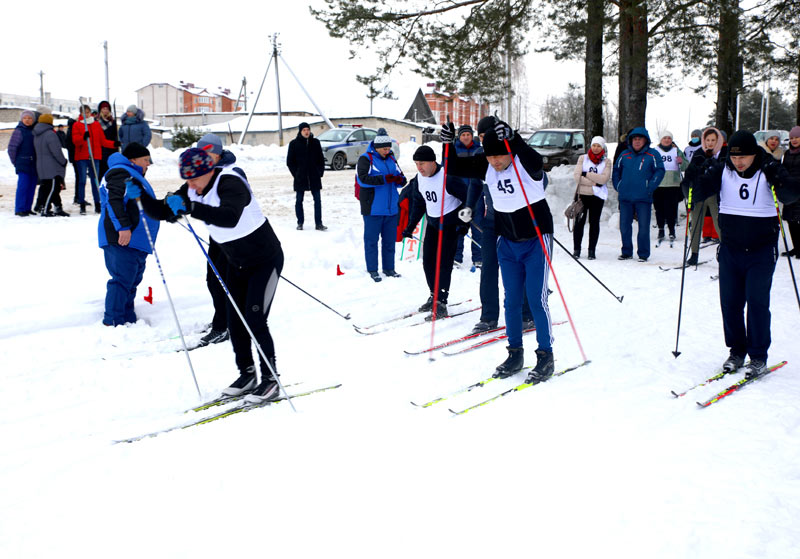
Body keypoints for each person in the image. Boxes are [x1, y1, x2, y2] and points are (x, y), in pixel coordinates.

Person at [134, 147, 284, 403]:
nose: (190, 184)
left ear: (208, 170)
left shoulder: (230, 183)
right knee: (235, 321)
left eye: (194, 178)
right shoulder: (193, 189)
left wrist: (191, 206)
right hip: (236, 263)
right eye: (187, 180)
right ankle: (247, 375)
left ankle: (271, 380)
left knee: (254, 319)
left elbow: (229, 217)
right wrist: (141, 197)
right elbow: (163, 211)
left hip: (264, 261)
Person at [694, 130, 800, 378]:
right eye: (734, 156)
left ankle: (758, 356)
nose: (739, 161)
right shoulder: (723, 169)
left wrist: (778, 176)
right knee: (730, 304)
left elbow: (792, 194)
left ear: (755, 154)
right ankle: (737, 351)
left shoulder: (767, 168)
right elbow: (695, 192)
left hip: (761, 251)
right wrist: (698, 171)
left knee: (757, 303)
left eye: (745, 156)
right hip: (731, 249)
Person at [443, 116, 537, 335]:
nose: (486, 141)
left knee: (517, 269)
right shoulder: (481, 156)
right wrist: (468, 206)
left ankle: (526, 314)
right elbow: (475, 184)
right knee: (488, 269)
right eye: (483, 137)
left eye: (489, 136)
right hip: (491, 221)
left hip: (516, 221)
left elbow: (537, 177)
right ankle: (488, 317)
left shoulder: (513, 154)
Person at [402, 145, 468, 319]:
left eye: (422, 163)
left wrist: (464, 223)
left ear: (432, 161)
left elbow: (469, 199)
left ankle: (441, 302)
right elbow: (419, 203)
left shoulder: (448, 177)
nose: (419, 168)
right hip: (432, 225)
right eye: (416, 164)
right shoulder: (420, 178)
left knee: (444, 264)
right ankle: (434, 295)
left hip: (449, 226)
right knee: (428, 263)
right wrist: (410, 226)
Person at [97, 143, 160, 326]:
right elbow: (113, 200)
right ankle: (114, 321)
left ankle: (127, 317)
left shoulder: (133, 175)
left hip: (136, 240)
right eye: (145, 160)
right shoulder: (120, 173)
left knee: (131, 279)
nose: (148, 164)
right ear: (133, 159)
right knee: (122, 279)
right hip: (122, 237)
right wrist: (123, 227)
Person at [193, 133, 243, 348]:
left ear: (214, 153)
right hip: (218, 235)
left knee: (221, 281)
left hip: (233, 238)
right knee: (213, 280)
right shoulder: (210, 171)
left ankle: (223, 327)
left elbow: (231, 206)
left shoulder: (231, 172)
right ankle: (222, 320)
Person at [356, 128, 406, 282]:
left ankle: (389, 268)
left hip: (391, 209)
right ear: (377, 147)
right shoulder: (366, 159)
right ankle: (372, 269)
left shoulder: (391, 159)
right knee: (371, 241)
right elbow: (362, 180)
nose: (387, 150)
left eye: (389, 147)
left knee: (389, 241)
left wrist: (400, 180)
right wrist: (385, 179)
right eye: (384, 148)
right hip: (373, 208)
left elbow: (402, 177)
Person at [612, 127, 665, 262]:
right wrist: (618, 185)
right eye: (634, 139)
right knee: (624, 226)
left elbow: (660, 170)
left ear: (645, 140)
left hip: (643, 197)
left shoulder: (652, 155)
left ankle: (643, 253)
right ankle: (626, 251)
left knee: (643, 228)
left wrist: (650, 186)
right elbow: (616, 170)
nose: (637, 142)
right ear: (631, 141)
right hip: (625, 197)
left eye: (639, 139)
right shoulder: (624, 154)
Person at [681, 127, 725, 265]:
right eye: (707, 140)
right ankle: (694, 254)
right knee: (695, 225)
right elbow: (690, 173)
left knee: (720, 224)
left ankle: (726, 253)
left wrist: (713, 166)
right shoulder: (699, 153)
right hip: (699, 194)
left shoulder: (723, 153)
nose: (710, 143)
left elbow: (725, 172)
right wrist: (688, 186)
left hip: (715, 194)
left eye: (713, 140)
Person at [72, 104, 116, 215]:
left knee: (95, 180)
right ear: (80, 113)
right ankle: (82, 203)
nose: (85, 114)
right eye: (83, 112)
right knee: (82, 181)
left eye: (87, 112)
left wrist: (114, 144)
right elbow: (75, 141)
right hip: (82, 157)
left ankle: (98, 204)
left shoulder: (96, 125)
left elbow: (103, 141)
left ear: (90, 112)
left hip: (95, 156)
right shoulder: (77, 125)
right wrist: (83, 137)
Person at [572, 136, 611, 259]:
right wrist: (594, 182)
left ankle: (591, 251)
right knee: (579, 223)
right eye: (594, 145)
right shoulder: (583, 158)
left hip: (597, 197)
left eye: (598, 146)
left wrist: (587, 174)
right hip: (582, 195)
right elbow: (577, 177)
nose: (595, 148)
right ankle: (577, 249)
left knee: (594, 223)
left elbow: (604, 179)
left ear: (602, 147)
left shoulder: (607, 161)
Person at [452, 125, 483, 267]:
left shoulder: (479, 150)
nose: (465, 137)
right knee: (458, 227)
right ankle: (456, 256)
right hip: (459, 196)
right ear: (459, 136)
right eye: (463, 134)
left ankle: (478, 257)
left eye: (468, 135)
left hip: (477, 196)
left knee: (478, 228)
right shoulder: (454, 150)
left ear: (472, 136)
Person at [286, 122, 326, 231]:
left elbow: (321, 160)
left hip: (314, 177)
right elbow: (290, 162)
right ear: (300, 131)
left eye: (308, 129)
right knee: (299, 201)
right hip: (300, 178)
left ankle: (319, 223)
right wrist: (296, 174)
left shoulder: (315, 143)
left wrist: (319, 172)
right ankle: (300, 222)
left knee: (317, 200)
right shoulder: (294, 144)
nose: (306, 132)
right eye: (304, 130)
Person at [652, 131, 688, 243]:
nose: (667, 140)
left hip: (673, 184)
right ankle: (661, 229)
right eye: (664, 138)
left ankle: (672, 230)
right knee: (659, 209)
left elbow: (686, 166)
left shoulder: (676, 151)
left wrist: (681, 162)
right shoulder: (655, 151)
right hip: (658, 184)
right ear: (661, 140)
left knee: (671, 209)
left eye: (669, 138)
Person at [32, 111, 69, 217]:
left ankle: (55, 207)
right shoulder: (50, 134)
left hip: (42, 166)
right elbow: (56, 151)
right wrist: (63, 161)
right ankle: (45, 209)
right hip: (52, 167)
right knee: (52, 189)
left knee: (47, 188)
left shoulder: (36, 134)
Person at [8, 110, 38, 216]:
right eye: (25, 118)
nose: (27, 120)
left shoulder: (34, 131)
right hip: (23, 163)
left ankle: (27, 208)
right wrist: (16, 162)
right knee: (23, 186)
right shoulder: (19, 131)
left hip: (33, 163)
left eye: (30, 118)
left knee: (31, 187)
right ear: (21, 119)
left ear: (33, 120)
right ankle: (20, 208)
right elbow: (12, 148)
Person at [780, 126, 800, 257]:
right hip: (790, 190)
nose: (794, 140)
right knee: (791, 220)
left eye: (797, 137)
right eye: (792, 138)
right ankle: (796, 247)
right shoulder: (787, 153)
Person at [96, 100, 119, 178]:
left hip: (111, 149)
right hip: (100, 150)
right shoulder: (96, 122)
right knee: (101, 172)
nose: (105, 110)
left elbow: (115, 135)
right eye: (103, 109)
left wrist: (116, 143)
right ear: (100, 110)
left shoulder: (112, 121)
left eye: (107, 109)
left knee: (111, 171)